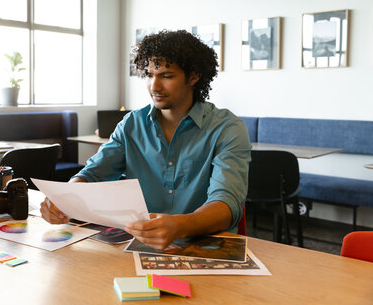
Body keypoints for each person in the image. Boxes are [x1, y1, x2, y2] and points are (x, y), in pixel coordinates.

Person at [41, 30, 250, 250]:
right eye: (149, 75)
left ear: (193, 76)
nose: (154, 86)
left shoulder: (227, 128)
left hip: (204, 248)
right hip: (139, 246)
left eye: (166, 76)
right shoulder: (132, 124)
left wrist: (179, 225)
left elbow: (226, 204)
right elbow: (93, 173)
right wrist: (65, 199)